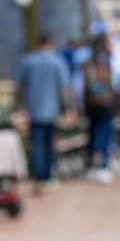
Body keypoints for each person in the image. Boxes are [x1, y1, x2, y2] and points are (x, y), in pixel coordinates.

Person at [14, 34, 73, 194]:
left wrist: (19, 108)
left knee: (37, 146)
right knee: (50, 145)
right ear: (51, 43)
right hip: (52, 111)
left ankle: (39, 179)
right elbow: (64, 89)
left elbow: (19, 86)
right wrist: (68, 109)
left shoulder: (28, 61)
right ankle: (48, 177)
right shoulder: (58, 61)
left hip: (34, 111)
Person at [83, 33, 118, 184]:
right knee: (104, 134)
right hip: (105, 103)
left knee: (92, 132)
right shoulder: (107, 61)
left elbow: (82, 85)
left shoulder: (88, 61)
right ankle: (102, 165)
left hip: (91, 103)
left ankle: (91, 164)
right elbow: (114, 83)